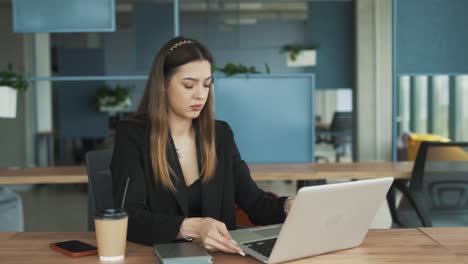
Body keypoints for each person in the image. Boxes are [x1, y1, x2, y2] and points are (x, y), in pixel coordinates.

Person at [111, 37, 294, 255]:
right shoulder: (132, 135)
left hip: (220, 260)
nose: (200, 94)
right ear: (162, 85)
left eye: (206, 84)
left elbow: (254, 203)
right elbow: (129, 218)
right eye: (189, 85)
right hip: (158, 259)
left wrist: (290, 206)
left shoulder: (221, 135)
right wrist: (194, 227)